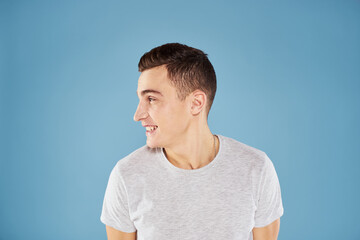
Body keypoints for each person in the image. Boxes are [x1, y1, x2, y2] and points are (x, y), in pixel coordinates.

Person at [100, 43, 284, 240]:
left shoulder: (256, 168)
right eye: (140, 99)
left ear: (196, 103)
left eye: (151, 99)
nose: (138, 115)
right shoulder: (127, 175)